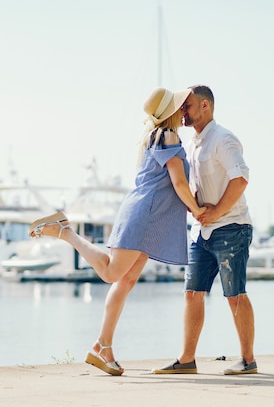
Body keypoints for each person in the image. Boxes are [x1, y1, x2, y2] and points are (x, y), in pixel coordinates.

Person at [28, 87, 206, 376]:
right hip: (145, 215)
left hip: (149, 216)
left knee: (126, 280)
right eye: (178, 105)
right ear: (170, 112)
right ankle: (65, 231)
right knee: (112, 274)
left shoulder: (156, 135)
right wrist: (197, 210)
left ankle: (102, 347)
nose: (182, 109)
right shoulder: (168, 135)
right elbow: (178, 183)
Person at [153, 85, 257, 375]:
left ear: (205, 107)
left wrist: (216, 212)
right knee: (192, 293)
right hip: (202, 232)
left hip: (232, 228)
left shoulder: (224, 138)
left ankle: (248, 360)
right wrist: (195, 205)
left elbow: (241, 179)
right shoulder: (192, 144)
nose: (182, 112)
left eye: (186, 106)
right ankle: (187, 359)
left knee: (235, 294)